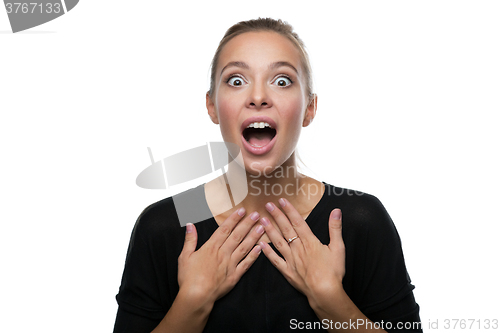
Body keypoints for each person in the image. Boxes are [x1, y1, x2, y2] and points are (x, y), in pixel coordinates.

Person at [113, 18, 422, 332]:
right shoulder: (165, 224)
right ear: (212, 106)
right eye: (236, 80)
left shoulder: (359, 220)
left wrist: (330, 299)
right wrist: (192, 302)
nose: (258, 96)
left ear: (310, 108)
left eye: (282, 81)